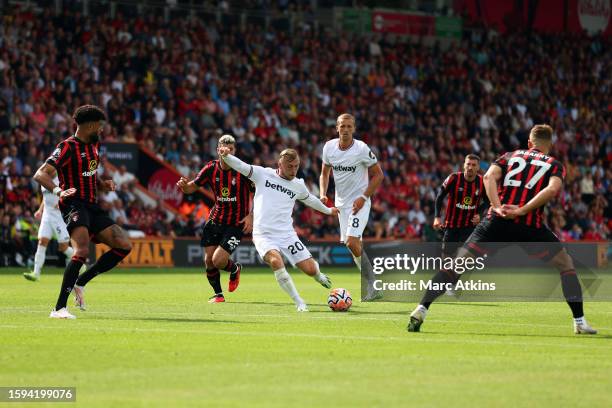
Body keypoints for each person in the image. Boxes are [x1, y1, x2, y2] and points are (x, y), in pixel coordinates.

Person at [408, 124, 597, 335]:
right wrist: (521, 210)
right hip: (529, 225)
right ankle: (579, 322)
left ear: (528, 143)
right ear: (549, 145)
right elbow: (552, 189)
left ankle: (421, 308)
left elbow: (488, 178)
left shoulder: (509, 156)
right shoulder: (554, 164)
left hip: (495, 222)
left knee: (455, 266)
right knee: (566, 265)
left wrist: (497, 207)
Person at [34, 105, 132, 319]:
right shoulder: (67, 147)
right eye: (100, 126)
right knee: (81, 252)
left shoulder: (95, 144)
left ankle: (81, 281)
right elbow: (40, 174)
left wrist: (102, 184)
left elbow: (87, 175)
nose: (102, 130)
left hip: (92, 205)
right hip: (74, 204)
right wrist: (58, 190)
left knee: (124, 245)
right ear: (90, 125)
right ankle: (59, 308)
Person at [219, 146, 339, 311]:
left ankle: (319, 275)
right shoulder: (263, 174)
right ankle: (299, 302)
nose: (294, 170)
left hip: (287, 235)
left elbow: (311, 200)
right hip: (263, 235)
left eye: (296, 166)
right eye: (290, 166)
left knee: (310, 270)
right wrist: (226, 156)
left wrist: (328, 211)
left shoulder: (298, 185)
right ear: (280, 164)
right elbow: (241, 166)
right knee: (276, 261)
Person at [177, 135, 253, 303]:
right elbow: (191, 188)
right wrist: (184, 186)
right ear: (218, 149)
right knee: (208, 261)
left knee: (218, 260)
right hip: (215, 220)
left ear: (235, 151)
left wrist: (251, 215)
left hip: (236, 223)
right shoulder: (210, 169)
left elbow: (257, 192)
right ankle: (219, 295)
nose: (227, 151)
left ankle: (234, 268)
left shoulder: (243, 170)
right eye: (224, 148)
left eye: (231, 149)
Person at [319, 113, 384, 300]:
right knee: (353, 246)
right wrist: (323, 193)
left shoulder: (361, 148)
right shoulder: (329, 147)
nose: (345, 129)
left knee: (352, 242)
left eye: (349, 126)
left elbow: (379, 175)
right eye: (342, 126)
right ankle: (372, 284)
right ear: (336, 128)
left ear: (354, 129)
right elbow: (324, 173)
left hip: (359, 203)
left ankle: (373, 286)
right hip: (342, 205)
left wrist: (364, 197)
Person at [23, 171, 85, 281]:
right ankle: (36, 273)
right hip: (47, 216)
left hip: (59, 217)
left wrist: (63, 203)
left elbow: (73, 194)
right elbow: (45, 197)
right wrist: (40, 210)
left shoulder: (62, 179)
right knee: (42, 242)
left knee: (63, 247)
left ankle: (81, 263)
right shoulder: (43, 179)